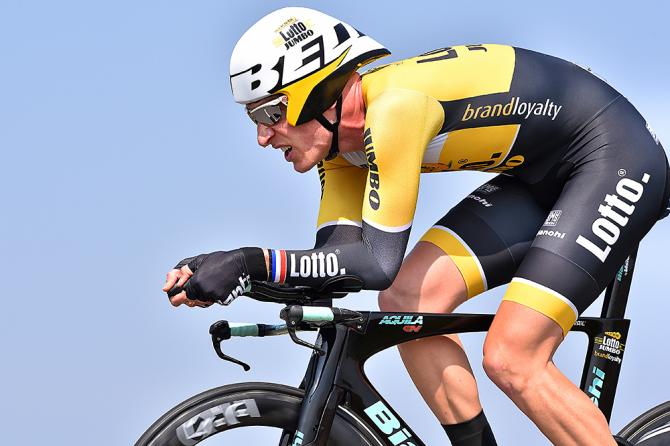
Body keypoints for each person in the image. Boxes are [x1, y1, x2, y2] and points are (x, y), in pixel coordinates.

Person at [163, 7, 670, 446]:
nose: (261, 135)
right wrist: (229, 276)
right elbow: (337, 270)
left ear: (319, 95)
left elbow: (375, 263)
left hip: (612, 158)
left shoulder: (396, 111)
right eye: (254, 116)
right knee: (407, 301)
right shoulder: (342, 152)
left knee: (513, 355)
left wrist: (247, 263)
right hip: (538, 176)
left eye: (271, 111)